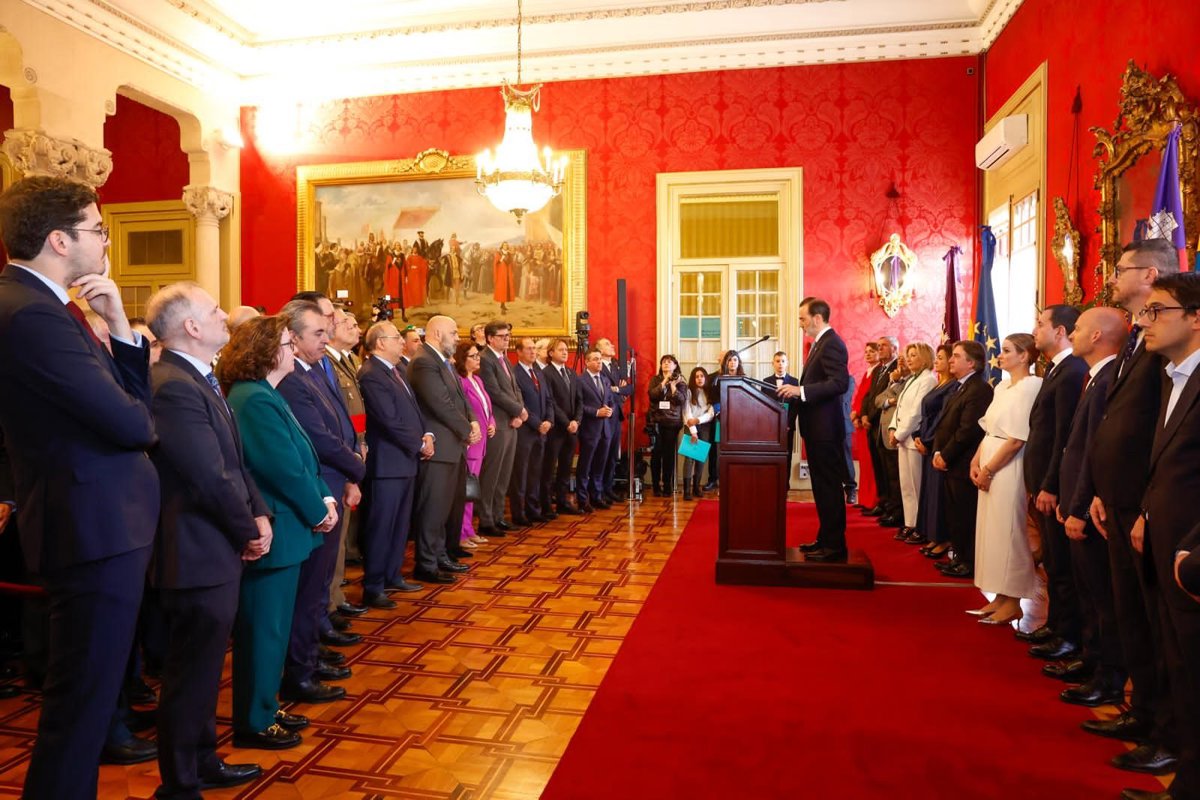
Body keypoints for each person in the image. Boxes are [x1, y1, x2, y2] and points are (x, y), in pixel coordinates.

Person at [0, 176, 160, 799]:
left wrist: (118, 323)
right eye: (98, 230)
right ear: (60, 241)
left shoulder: (47, 307)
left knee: (85, 707)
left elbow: (131, 409)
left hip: (97, 522)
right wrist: (135, 408)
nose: (106, 242)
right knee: (79, 711)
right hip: (91, 527)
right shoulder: (32, 314)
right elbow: (135, 423)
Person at [145, 283, 270, 796]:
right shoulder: (172, 385)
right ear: (192, 327)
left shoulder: (200, 377)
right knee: (188, 675)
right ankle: (178, 784)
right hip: (195, 550)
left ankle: (203, 761)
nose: (225, 316)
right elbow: (208, 477)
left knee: (204, 670)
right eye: (215, 310)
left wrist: (259, 513)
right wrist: (248, 531)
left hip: (216, 545)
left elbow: (235, 462)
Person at [1073, 239, 1179, 772]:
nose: (1111, 277)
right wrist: (1098, 489)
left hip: (1146, 504)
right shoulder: (1138, 340)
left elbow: (1160, 429)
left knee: (1159, 626)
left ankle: (1167, 732)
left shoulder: (1166, 347)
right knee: (1130, 614)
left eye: (1120, 269)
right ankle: (1143, 714)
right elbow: (1116, 421)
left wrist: (1144, 505)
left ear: (1151, 274)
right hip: (1113, 499)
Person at [220, 314, 336, 752]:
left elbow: (302, 457)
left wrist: (322, 498)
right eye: (288, 343)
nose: (293, 349)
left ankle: (266, 706)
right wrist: (317, 508)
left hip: (290, 526)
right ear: (268, 351)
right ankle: (254, 719)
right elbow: (280, 466)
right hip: (277, 527)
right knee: (263, 631)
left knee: (276, 628)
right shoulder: (252, 398)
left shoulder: (266, 393)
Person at [1130, 272, 1200, 800]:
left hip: (1191, 556)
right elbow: (1168, 465)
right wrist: (1147, 512)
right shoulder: (1173, 377)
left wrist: (1191, 548)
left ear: (1195, 317)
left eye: (1157, 311)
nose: (1143, 322)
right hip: (1163, 540)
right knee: (1179, 667)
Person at [276, 297, 365, 701]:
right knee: (310, 588)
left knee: (319, 585)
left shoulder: (314, 369)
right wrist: (358, 468)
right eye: (318, 332)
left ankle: (310, 658)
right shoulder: (292, 378)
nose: (326, 337)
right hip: (319, 488)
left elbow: (341, 424)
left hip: (334, 482)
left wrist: (350, 471)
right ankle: (301, 670)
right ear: (293, 338)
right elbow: (320, 437)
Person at [1057, 306, 1129, 707]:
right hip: (1076, 500)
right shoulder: (1095, 378)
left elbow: (1093, 452)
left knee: (1103, 598)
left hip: (1089, 509)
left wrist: (1079, 507)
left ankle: (1108, 676)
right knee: (1088, 592)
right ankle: (1091, 661)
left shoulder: (1108, 380)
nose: (1073, 334)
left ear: (1098, 335)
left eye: (1080, 328)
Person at [1024, 306, 1087, 658]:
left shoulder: (1072, 371)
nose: (1035, 330)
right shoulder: (1056, 369)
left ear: (1060, 331)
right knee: (1052, 561)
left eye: (1040, 324)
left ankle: (1068, 636)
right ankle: (1055, 624)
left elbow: (1063, 436)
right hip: (1041, 480)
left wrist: (1049, 485)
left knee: (1062, 565)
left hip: (1054, 484)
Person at [356, 321, 432, 608]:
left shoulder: (396, 370)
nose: (402, 342)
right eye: (396, 337)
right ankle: (374, 586)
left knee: (399, 526)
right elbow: (389, 421)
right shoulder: (372, 374)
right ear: (380, 343)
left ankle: (392, 575)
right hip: (386, 465)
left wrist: (427, 434)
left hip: (404, 461)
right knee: (381, 527)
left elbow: (413, 411)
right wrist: (418, 444)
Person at [968, 333, 1042, 626]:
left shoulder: (1030, 386)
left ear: (1024, 356)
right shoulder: (1002, 386)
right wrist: (977, 460)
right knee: (991, 531)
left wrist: (989, 469)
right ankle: (1000, 595)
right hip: (990, 453)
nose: (1000, 355)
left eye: (1008, 350)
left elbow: (1016, 438)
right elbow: (990, 429)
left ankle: (1014, 601)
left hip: (1009, 463)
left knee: (1009, 530)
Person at [407, 315, 482, 584]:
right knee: (432, 509)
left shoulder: (443, 362)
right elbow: (440, 404)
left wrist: (473, 421)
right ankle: (426, 564)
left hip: (453, 446)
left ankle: (440, 556)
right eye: (453, 333)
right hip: (438, 448)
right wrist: (466, 430)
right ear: (437, 333)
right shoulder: (424, 361)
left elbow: (460, 399)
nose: (458, 338)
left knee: (444, 509)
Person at [776, 298, 850, 562]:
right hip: (817, 430)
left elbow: (839, 383)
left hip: (826, 431)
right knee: (821, 488)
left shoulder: (832, 344)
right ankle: (825, 539)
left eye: (802, 319)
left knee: (828, 487)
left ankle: (834, 547)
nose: (800, 324)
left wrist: (801, 391)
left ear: (817, 318)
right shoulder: (821, 343)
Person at [931, 341, 993, 579]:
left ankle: (968, 562)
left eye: (956, 356)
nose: (951, 360)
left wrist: (945, 455)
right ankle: (959, 557)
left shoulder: (979, 390)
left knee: (965, 514)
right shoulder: (960, 386)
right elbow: (944, 424)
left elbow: (968, 430)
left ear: (972, 363)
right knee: (955, 514)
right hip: (951, 461)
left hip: (963, 462)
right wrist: (938, 452)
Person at [326, 308, 368, 619]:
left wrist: (360, 443)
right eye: (347, 323)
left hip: (353, 447)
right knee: (335, 537)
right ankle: (329, 602)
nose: (356, 329)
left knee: (343, 535)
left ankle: (336, 597)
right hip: (339, 453)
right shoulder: (327, 362)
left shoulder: (348, 360)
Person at [477, 320, 526, 537]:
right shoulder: (485, 359)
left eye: (508, 336)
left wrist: (519, 411)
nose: (507, 339)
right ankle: (486, 520)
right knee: (491, 475)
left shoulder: (504, 358)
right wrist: (518, 410)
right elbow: (494, 392)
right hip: (497, 424)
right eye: (502, 336)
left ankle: (498, 516)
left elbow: (515, 389)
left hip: (511, 423)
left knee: (504, 475)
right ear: (490, 338)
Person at [888, 342, 936, 543]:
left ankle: (920, 525)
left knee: (916, 485)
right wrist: (893, 428)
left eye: (914, 355)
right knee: (906, 485)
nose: (908, 359)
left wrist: (899, 434)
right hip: (902, 438)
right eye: (908, 355)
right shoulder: (911, 379)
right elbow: (900, 407)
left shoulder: (928, 379)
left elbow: (916, 412)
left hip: (912, 438)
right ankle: (910, 522)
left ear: (925, 358)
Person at [913, 344, 955, 559]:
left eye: (941, 358)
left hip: (936, 443)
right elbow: (926, 415)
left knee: (938, 494)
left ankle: (943, 538)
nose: (936, 361)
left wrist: (928, 441)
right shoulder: (940, 383)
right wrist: (917, 435)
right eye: (936, 357)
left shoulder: (953, 386)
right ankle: (931, 534)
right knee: (929, 491)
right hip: (926, 439)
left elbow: (942, 419)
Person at [510, 337, 554, 524]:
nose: (533, 352)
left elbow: (549, 400)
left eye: (534, 348)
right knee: (521, 474)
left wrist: (549, 421)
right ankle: (519, 513)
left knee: (535, 472)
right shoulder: (514, 373)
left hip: (541, 432)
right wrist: (537, 423)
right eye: (528, 348)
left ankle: (533, 509)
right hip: (525, 431)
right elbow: (520, 404)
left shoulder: (538, 372)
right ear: (519, 351)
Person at [456, 340, 495, 547]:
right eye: (473, 356)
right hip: (471, 443)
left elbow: (487, 407)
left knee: (473, 489)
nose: (478, 359)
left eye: (478, 355)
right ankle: (461, 533)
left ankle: (469, 529)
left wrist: (492, 422)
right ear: (462, 359)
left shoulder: (477, 380)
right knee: (466, 489)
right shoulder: (461, 381)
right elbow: (464, 411)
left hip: (482, 442)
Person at [543, 338, 582, 515]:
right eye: (561, 349)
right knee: (549, 468)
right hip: (556, 429)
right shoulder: (546, 373)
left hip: (572, 429)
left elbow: (579, 401)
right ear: (551, 353)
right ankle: (545, 505)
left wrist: (576, 421)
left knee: (566, 467)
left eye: (566, 349)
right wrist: (567, 423)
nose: (565, 352)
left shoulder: (572, 373)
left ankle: (562, 501)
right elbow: (551, 402)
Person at [860, 337, 898, 519]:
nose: (879, 349)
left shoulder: (897, 368)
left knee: (890, 471)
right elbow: (869, 396)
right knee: (880, 468)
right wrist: (864, 414)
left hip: (883, 423)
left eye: (883, 346)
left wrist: (871, 416)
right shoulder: (879, 369)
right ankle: (883, 503)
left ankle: (893, 508)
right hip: (872, 425)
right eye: (879, 346)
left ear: (894, 348)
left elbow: (886, 397)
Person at [576, 349, 615, 511]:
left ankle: (597, 496)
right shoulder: (580, 381)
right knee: (585, 466)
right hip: (589, 429)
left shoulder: (605, 380)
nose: (599, 362)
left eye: (600, 359)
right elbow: (579, 406)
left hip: (605, 429)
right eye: (595, 359)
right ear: (587, 362)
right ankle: (582, 499)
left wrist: (610, 410)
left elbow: (610, 401)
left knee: (600, 465)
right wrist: (597, 412)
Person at [598, 337, 633, 503]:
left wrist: (617, 389)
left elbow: (629, 388)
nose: (612, 345)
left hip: (617, 415)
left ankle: (608, 488)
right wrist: (619, 391)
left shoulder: (615, 366)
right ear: (599, 349)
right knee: (602, 454)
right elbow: (603, 390)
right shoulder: (598, 366)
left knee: (612, 455)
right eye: (607, 344)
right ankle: (598, 491)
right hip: (604, 415)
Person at [705, 350, 744, 492]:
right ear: (724, 362)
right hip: (720, 419)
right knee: (717, 452)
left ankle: (735, 480)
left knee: (736, 452)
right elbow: (713, 399)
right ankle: (716, 480)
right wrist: (721, 413)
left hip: (739, 421)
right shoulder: (715, 379)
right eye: (729, 360)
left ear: (739, 362)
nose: (732, 362)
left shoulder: (744, 379)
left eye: (734, 360)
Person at [648, 355, 686, 498]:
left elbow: (681, 400)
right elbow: (652, 395)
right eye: (663, 362)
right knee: (656, 454)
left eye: (669, 362)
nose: (666, 364)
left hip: (671, 422)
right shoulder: (655, 380)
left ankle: (667, 486)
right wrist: (664, 381)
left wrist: (673, 386)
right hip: (656, 421)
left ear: (675, 365)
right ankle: (655, 485)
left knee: (668, 455)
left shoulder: (680, 380)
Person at [850, 342, 880, 510]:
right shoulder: (868, 372)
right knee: (864, 463)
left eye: (872, 351)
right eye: (866, 351)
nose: (868, 354)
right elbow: (861, 396)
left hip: (869, 422)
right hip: (861, 421)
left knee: (871, 464)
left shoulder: (878, 372)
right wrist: (855, 413)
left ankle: (872, 500)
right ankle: (864, 499)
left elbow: (871, 398)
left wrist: (861, 414)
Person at [682, 366, 716, 501]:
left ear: (705, 378)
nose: (700, 379)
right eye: (697, 376)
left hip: (705, 426)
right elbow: (686, 412)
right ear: (693, 379)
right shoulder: (688, 392)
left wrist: (698, 420)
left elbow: (711, 413)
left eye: (702, 376)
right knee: (689, 458)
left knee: (700, 457)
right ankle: (686, 490)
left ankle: (696, 487)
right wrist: (693, 431)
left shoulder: (710, 393)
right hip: (690, 426)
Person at [766, 351, 800, 472]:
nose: (780, 364)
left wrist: (788, 424)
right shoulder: (765, 381)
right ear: (773, 363)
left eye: (783, 361)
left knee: (787, 456)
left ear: (787, 363)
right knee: (771, 456)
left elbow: (795, 406)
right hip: (771, 427)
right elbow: (764, 405)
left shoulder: (795, 382)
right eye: (777, 361)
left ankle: (785, 483)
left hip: (787, 427)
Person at [494, 243, 516, 315]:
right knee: (502, 290)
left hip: (507, 273)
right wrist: (501, 258)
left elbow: (511, 263)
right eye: (504, 245)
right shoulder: (498, 253)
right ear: (502, 246)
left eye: (506, 245)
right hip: (501, 274)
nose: (505, 246)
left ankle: (503, 305)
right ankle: (502, 309)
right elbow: (496, 263)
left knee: (506, 289)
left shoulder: (509, 254)